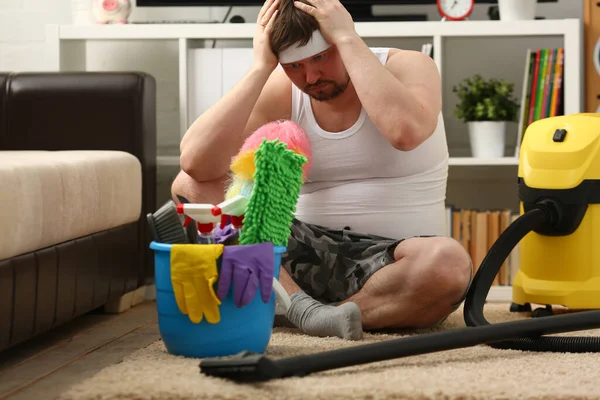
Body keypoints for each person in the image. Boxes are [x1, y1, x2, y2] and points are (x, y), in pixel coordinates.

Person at [172, 0, 473, 341]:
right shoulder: (283, 90)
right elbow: (196, 164)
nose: (311, 77)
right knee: (191, 186)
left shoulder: (409, 66)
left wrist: (347, 39)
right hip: (300, 255)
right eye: (295, 65)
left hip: (396, 264)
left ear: (341, 37)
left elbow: (405, 133)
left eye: (320, 57)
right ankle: (304, 309)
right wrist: (260, 67)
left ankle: (303, 312)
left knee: (448, 264)